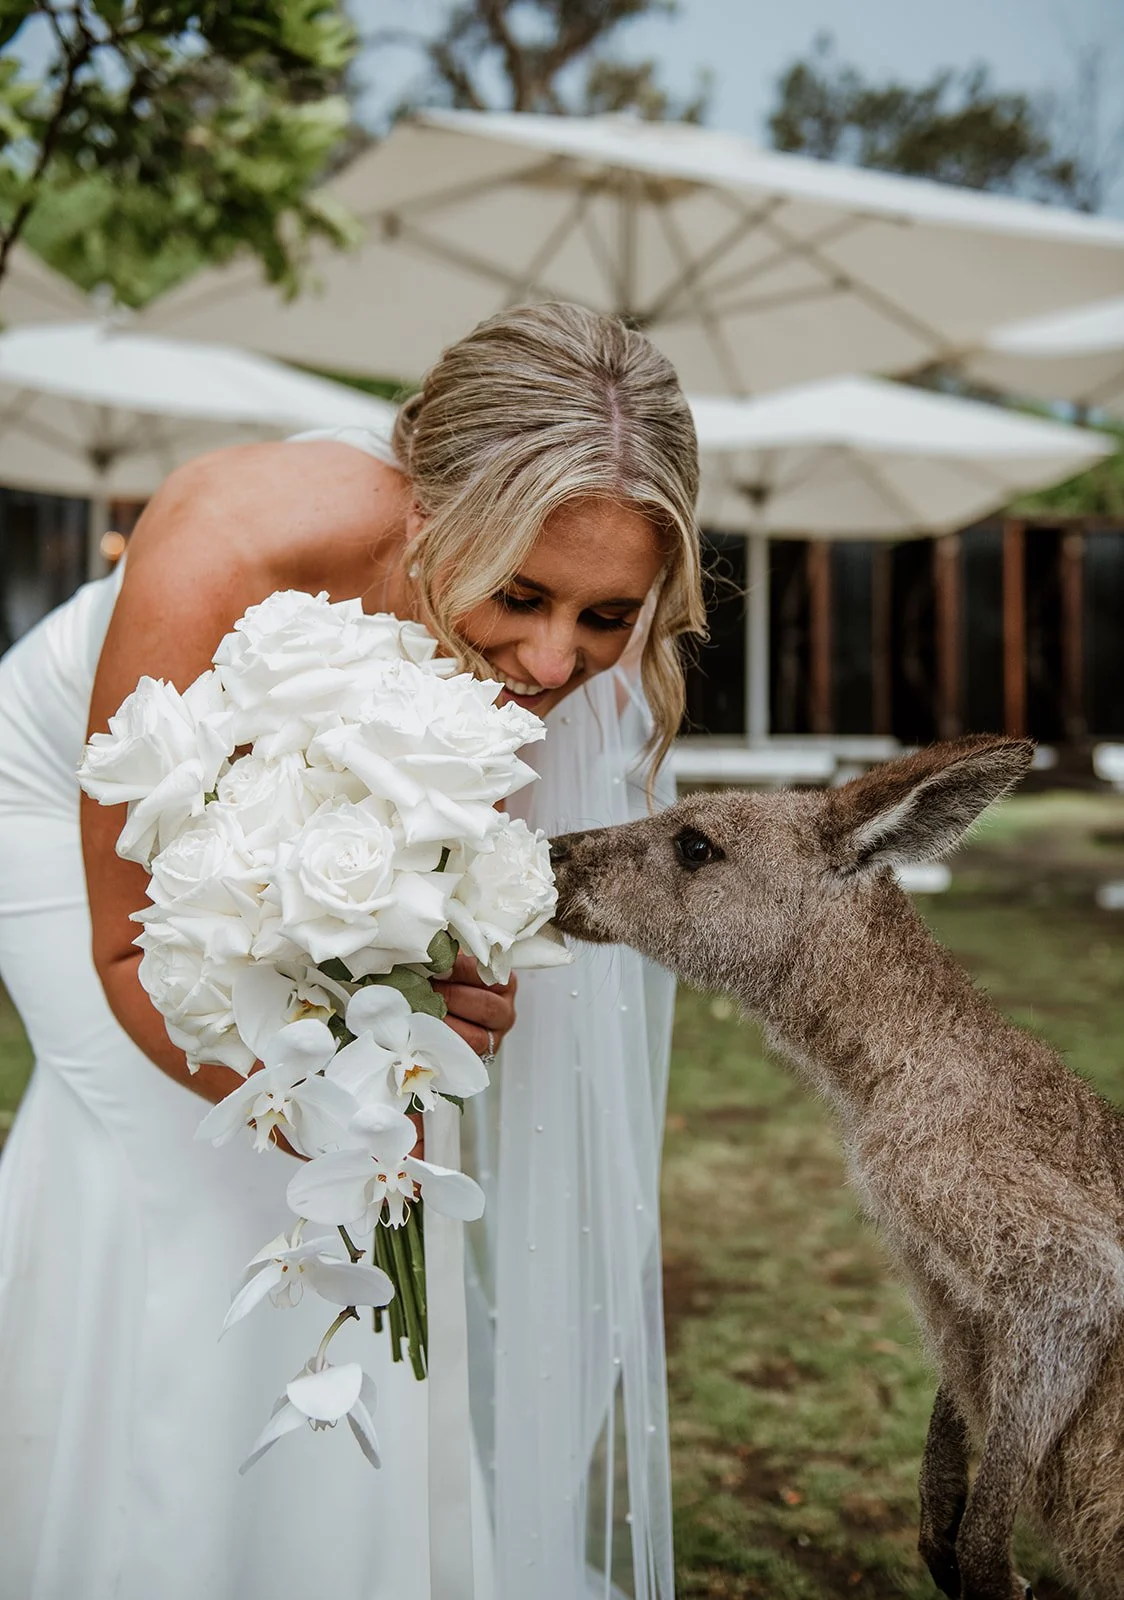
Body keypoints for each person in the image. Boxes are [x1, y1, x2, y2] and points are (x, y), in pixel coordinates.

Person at [0, 301, 704, 1600]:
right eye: (524, 595)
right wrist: (340, 1111)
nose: (555, 660)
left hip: (283, 856)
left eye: (610, 616)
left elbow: (441, 882)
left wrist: (437, 1002)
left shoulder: (543, 649)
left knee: (380, 1181)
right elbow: (126, 950)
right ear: (438, 516)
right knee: (192, 1173)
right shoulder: (234, 539)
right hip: (72, 811)